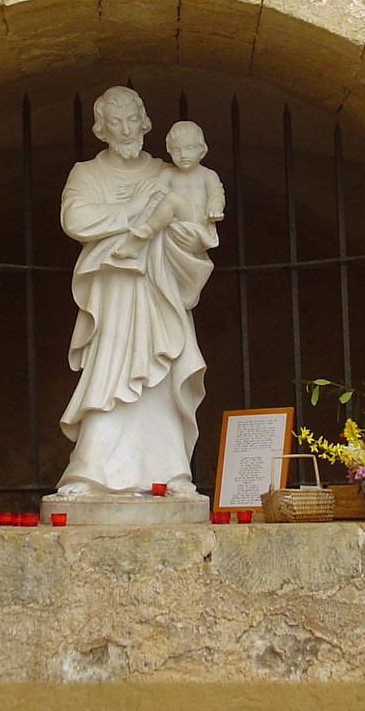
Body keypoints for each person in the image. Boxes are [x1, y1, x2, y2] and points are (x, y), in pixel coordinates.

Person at [56, 87, 220, 495]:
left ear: (146, 123)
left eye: (133, 121)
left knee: (160, 375)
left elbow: (192, 215)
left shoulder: (164, 171)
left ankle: (170, 472)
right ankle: (90, 470)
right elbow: (76, 218)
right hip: (113, 287)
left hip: (157, 285)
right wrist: (132, 212)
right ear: (102, 129)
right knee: (110, 373)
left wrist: (183, 230)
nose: (127, 130)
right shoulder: (87, 173)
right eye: (116, 123)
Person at [111, 120, 225, 260]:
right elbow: (154, 190)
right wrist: (133, 188)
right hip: (175, 220)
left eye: (189, 149)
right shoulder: (169, 174)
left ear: (202, 149)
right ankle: (133, 246)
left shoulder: (208, 175)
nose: (183, 155)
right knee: (152, 204)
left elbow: (217, 195)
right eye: (177, 150)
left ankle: (149, 229)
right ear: (169, 151)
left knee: (171, 199)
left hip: (197, 217)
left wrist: (215, 209)